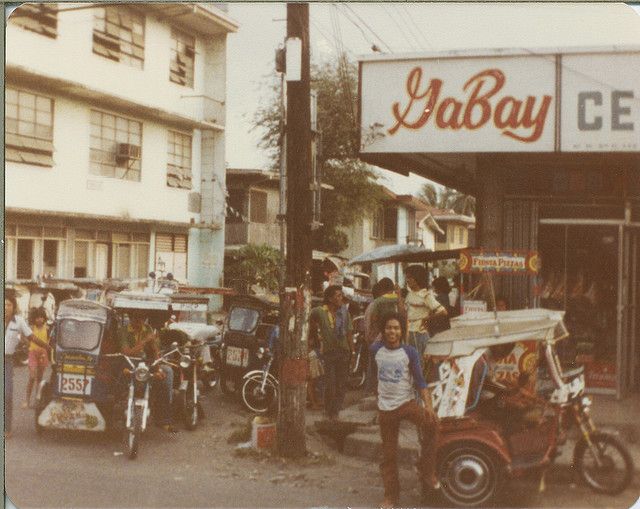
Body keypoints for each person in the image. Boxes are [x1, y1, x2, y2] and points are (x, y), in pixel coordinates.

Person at [370, 312, 440, 508]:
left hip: (406, 404)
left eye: (396, 328)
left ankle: (427, 470)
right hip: (385, 408)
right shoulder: (375, 349)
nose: (392, 331)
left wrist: (428, 406)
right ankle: (391, 497)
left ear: (402, 331)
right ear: (383, 331)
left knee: (433, 424)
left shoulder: (410, 352)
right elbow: (373, 377)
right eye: (389, 328)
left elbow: (420, 381)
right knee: (389, 455)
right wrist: (378, 399)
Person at [119, 310, 176, 433]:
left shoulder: (148, 329)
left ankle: (163, 420)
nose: (140, 321)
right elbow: (127, 352)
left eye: (142, 318)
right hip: (129, 363)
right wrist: (145, 341)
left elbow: (155, 351)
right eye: (136, 317)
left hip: (147, 363)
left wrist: (158, 366)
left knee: (167, 373)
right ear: (131, 317)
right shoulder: (123, 330)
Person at [4, 296, 50, 437]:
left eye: (9, 305)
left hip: (7, 361)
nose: (6, 307)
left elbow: (32, 337)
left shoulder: (19, 321)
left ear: (14, 307)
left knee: (7, 394)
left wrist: (48, 346)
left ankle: (7, 429)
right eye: (4, 304)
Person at [309, 285, 353, 420]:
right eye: (338, 296)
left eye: (341, 295)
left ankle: (335, 412)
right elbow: (309, 318)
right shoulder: (320, 311)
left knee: (341, 384)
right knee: (330, 384)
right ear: (330, 298)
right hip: (329, 353)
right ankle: (329, 411)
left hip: (343, 352)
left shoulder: (345, 312)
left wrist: (353, 351)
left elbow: (349, 332)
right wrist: (313, 335)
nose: (341, 298)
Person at [404, 265, 447, 354]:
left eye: (409, 277)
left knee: (418, 362)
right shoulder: (410, 294)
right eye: (406, 277)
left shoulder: (426, 295)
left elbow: (443, 312)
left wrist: (427, 319)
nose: (407, 280)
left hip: (419, 333)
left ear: (417, 278)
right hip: (409, 332)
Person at [23, 307, 50, 409]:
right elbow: (24, 337)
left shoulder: (47, 328)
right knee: (32, 377)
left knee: (39, 379)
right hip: (33, 354)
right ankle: (27, 400)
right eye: (37, 318)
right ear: (34, 318)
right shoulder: (31, 328)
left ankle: (37, 400)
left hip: (43, 355)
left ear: (44, 318)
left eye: (41, 317)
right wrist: (28, 344)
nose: (39, 319)